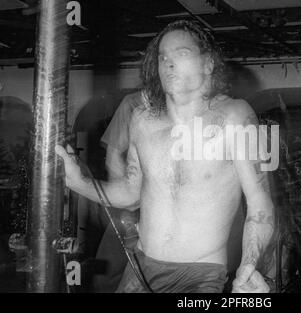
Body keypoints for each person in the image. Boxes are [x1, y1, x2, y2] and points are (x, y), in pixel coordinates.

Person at [57, 20, 275, 293]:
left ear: (207, 64)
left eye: (182, 54)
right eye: (163, 57)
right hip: (140, 268)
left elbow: (259, 204)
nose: (169, 63)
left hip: (200, 276)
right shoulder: (141, 121)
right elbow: (130, 193)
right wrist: (78, 183)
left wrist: (249, 265)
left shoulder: (234, 116)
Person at [90, 91, 143, 292]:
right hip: (135, 207)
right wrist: (129, 208)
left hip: (177, 215)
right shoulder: (134, 103)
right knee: (108, 275)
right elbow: (113, 160)